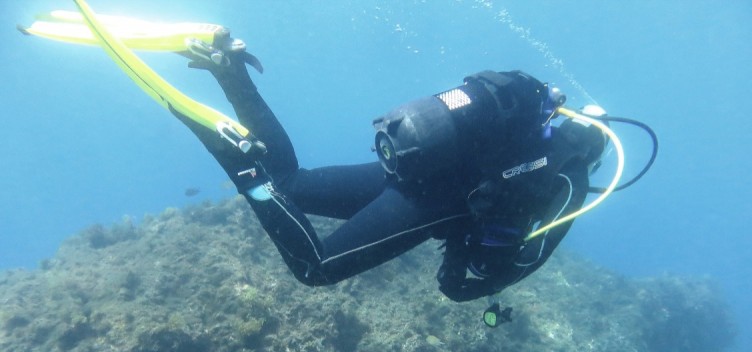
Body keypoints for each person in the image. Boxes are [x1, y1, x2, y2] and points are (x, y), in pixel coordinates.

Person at [177, 33, 609, 304]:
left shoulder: (535, 123)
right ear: (598, 152)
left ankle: (229, 72)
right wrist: (472, 288)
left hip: (406, 170)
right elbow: (526, 259)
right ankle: (243, 168)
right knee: (315, 269)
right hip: (430, 202)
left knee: (291, 183)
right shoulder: (572, 178)